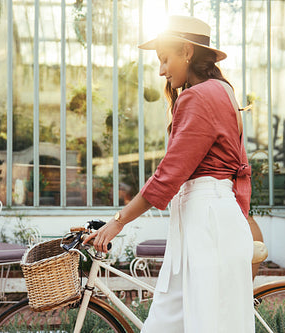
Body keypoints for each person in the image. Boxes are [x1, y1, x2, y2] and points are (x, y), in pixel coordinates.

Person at [83, 15, 254, 333]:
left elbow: (168, 176)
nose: (161, 70)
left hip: (207, 223)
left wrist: (118, 222)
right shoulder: (222, 91)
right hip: (208, 220)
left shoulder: (198, 97)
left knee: (201, 325)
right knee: (166, 324)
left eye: (164, 59)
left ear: (187, 51)